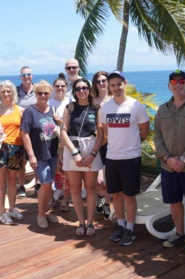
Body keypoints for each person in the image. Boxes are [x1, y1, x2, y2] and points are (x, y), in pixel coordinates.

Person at [153, 70, 185, 254]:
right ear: (169, 86)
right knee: (174, 202)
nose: (178, 84)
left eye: (182, 81)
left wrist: (184, 158)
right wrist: (168, 158)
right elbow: (157, 136)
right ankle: (179, 233)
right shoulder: (163, 109)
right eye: (174, 82)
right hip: (169, 166)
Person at [99, 70, 150, 246]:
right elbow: (106, 131)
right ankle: (120, 226)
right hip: (112, 158)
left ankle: (130, 228)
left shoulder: (136, 106)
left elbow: (145, 130)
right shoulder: (105, 108)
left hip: (131, 158)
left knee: (129, 196)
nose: (116, 88)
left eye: (119, 84)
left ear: (125, 84)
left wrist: (133, 143)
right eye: (112, 85)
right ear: (109, 87)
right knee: (116, 195)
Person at [61, 78, 104, 236]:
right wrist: (74, 153)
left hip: (91, 148)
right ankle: (80, 222)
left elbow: (101, 134)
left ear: (89, 89)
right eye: (78, 89)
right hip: (73, 147)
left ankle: (91, 222)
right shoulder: (70, 108)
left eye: (84, 88)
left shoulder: (96, 108)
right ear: (74, 91)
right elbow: (64, 131)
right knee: (75, 188)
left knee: (91, 189)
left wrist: (93, 154)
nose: (81, 91)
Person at [0, 80, 25, 225]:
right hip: (0, 149)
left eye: (9, 91)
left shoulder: (20, 110)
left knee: (13, 181)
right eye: (3, 92)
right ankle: (2, 212)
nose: (6, 94)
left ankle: (12, 208)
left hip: (16, 148)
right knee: (0, 183)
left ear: (13, 92)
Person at [21, 80, 61, 228]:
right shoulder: (30, 111)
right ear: (36, 94)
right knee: (45, 183)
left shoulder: (53, 110)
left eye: (46, 93)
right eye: (40, 93)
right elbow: (24, 134)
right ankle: (40, 214)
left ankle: (47, 211)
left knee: (50, 184)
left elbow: (62, 130)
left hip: (53, 153)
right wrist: (31, 155)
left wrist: (59, 120)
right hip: (39, 154)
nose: (43, 95)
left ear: (50, 94)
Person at [91, 70, 112, 219]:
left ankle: (106, 204)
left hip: (112, 145)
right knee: (99, 181)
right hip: (96, 144)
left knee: (109, 179)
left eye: (104, 80)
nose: (102, 83)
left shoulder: (114, 99)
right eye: (98, 81)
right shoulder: (92, 101)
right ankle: (100, 198)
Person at [48, 73, 71, 211]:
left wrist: (61, 121)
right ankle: (51, 198)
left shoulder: (71, 102)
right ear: (53, 87)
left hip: (65, 142)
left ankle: (66, 199)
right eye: (57, 86)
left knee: (66, 171)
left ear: (67, 87)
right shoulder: (48, 102)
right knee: (52, 171)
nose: (60, 88)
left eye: (63, 86)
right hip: (50, 141)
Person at [16, 66, 36, 197]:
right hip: (20, 130)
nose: (26, 77)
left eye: (28, 74)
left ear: (32, 76)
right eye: (24, 75)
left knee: (37, 158)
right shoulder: (16, 91)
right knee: (22, 161)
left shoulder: (38, 90)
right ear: (20, 77)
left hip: (35, 130)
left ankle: (38, 185)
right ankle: (21, 186)